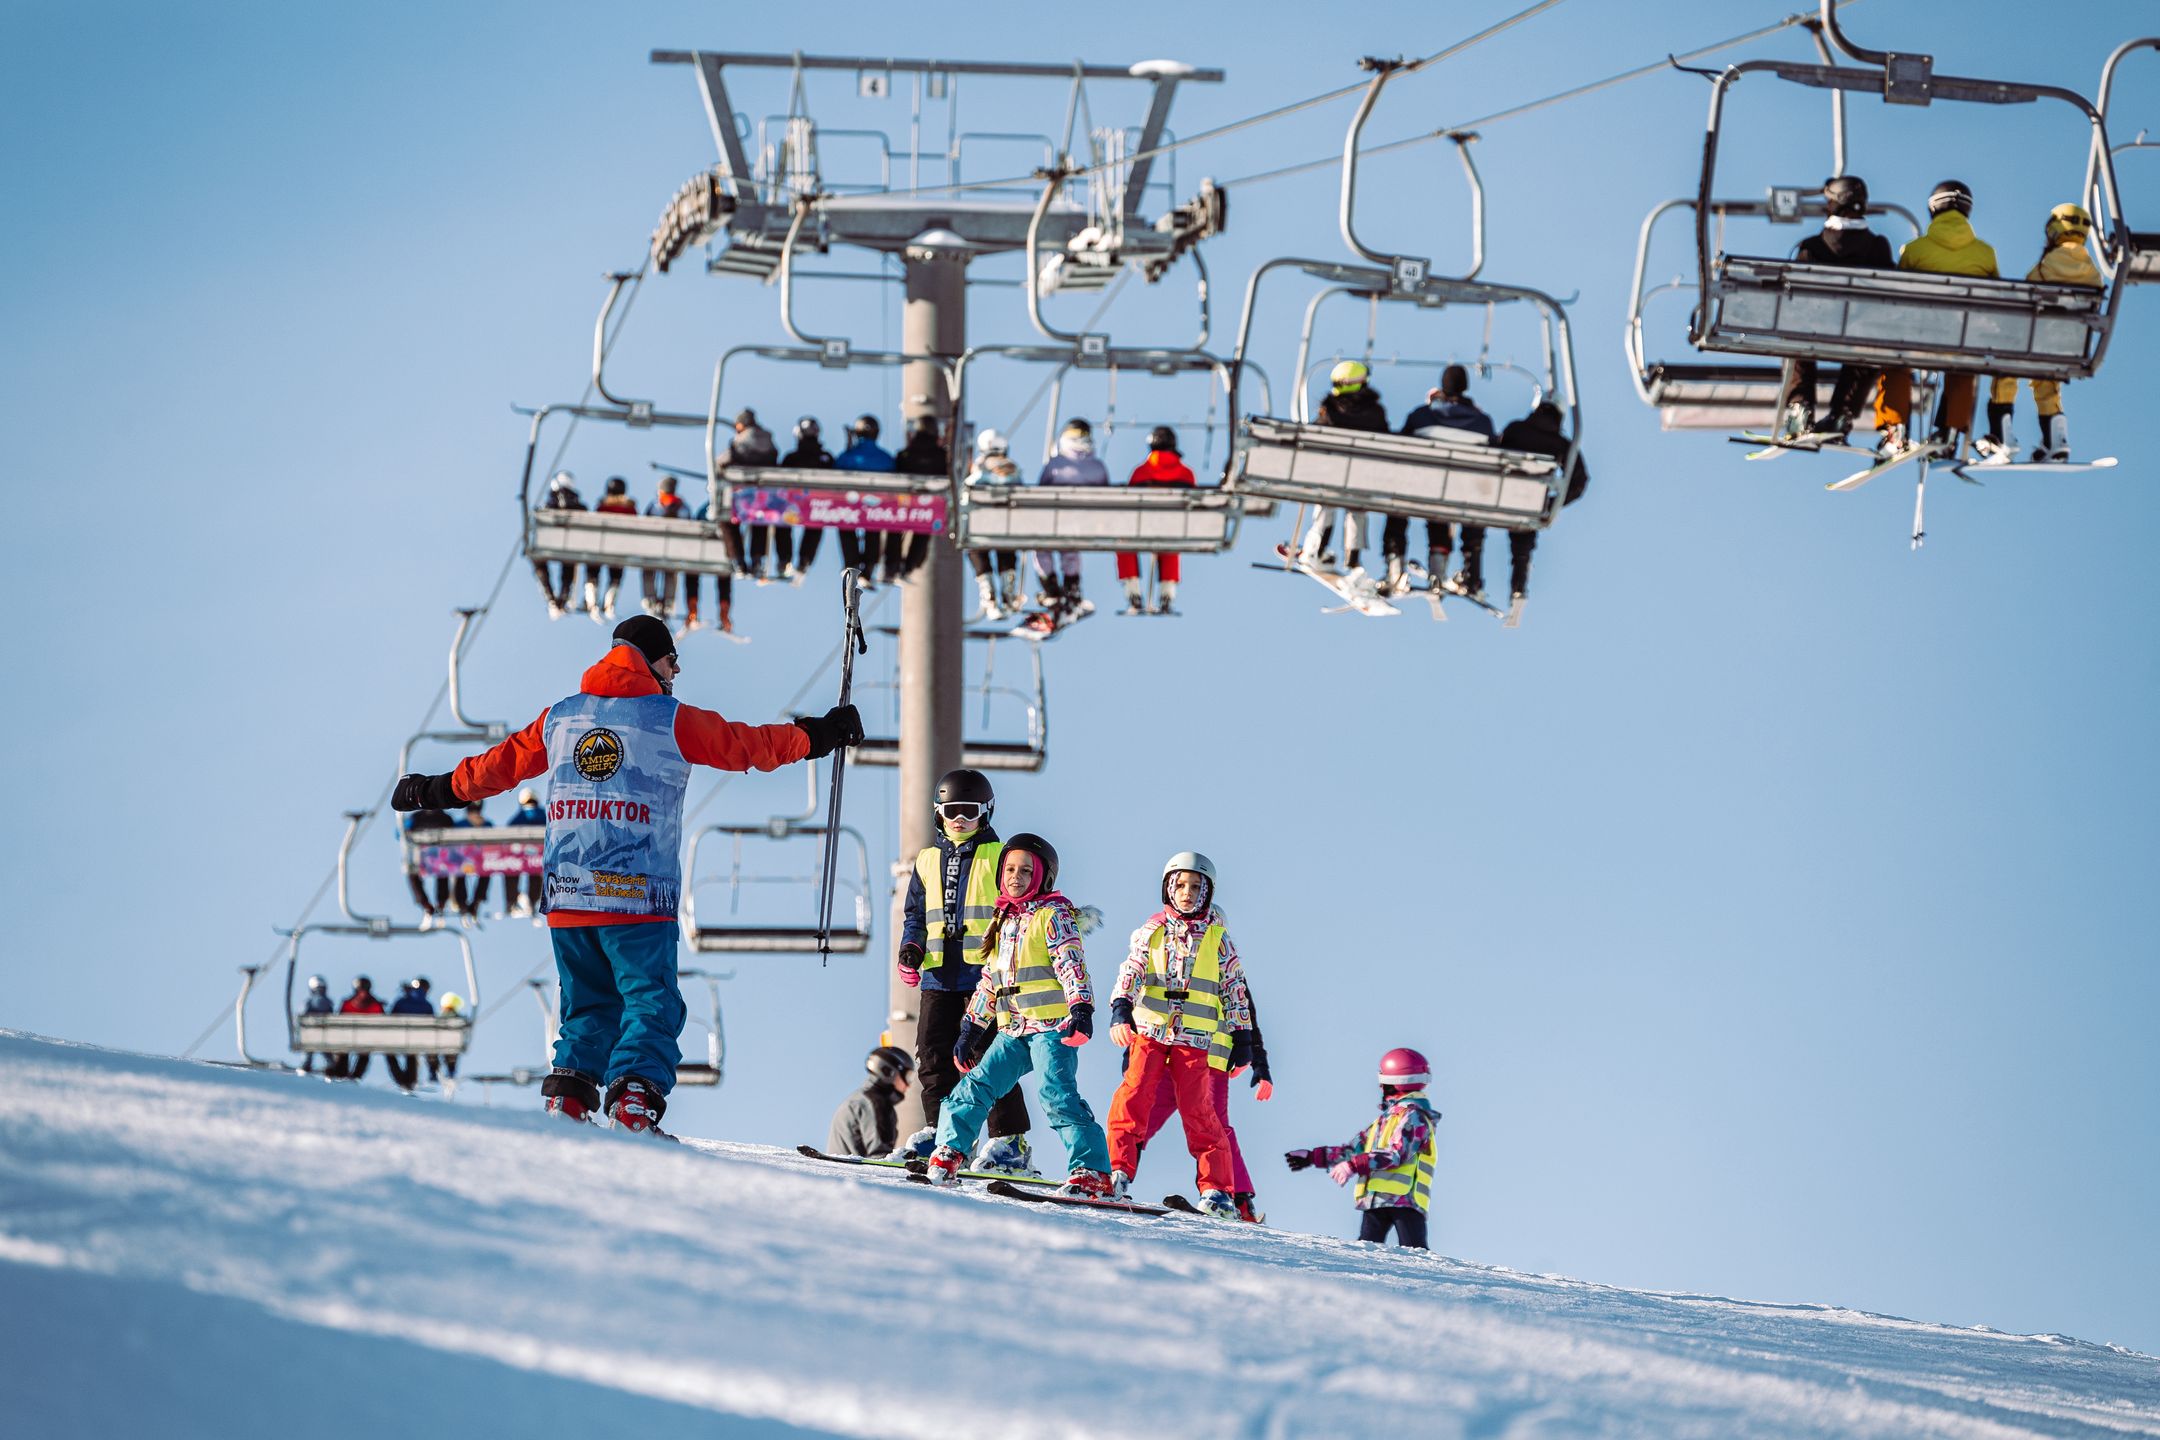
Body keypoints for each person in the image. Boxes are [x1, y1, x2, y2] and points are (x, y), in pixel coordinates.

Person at [391, 614, 862, 1135]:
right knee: (650, 1002)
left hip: (568, 892)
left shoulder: (560, 718)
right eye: (672, 660)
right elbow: (745, 745)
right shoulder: (668, 718)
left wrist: (432, 790)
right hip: (636, 892)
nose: (676, 670)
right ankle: (633, 1100)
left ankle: (569, 1100)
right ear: (650, 660)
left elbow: (498, 766)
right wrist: (818, 735)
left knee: (587, 1004)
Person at [922, 833, 1113, 1196]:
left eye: (1026, 871)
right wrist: (970, 1029)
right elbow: (989, 981)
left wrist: (1081, 1008)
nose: (1016, 876)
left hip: (1053, 1027)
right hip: (1012, 1030)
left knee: (1056, 1094)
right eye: (1010, 869)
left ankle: (1092, 1171)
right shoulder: (1002, 919)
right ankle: (949, 1150)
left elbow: (1071, 964)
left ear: (1043, 877)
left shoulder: (1053, 915)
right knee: (976, 1084)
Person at [1104, 851, 1256, 1219]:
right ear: (1168, 889)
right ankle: (1116, 1171)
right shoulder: (1151, 930)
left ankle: (1217, 1189)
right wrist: (1121, 1008)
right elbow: (1132, 970)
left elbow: (1234, 988)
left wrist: (1242, 1037)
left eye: (1195, 887)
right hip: (1151, 1029)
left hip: (1194, 1037)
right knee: (1133, 1096)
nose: (1187, 893)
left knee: (1199, 1109)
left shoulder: (1218, 939)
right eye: (1180, 885)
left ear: (1207, 893)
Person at [896, 768, 1033, 1170]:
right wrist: (911, 949)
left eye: (969, 811)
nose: (959, 819)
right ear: (937, 812)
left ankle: (1010, 1140)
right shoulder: (927, 860)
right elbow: (916, 914)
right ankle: (945, 1134)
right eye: (951, 810)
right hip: (939, 973)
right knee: (933, 1054)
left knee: (987, 1056)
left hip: (984, 977)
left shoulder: (999, 856)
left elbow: (1017, 905)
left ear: (986, 812)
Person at [1875, 180, 2000, 459]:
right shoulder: (1985, 253)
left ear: (1933, 208)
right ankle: (1950, 431)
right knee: (1963, 367)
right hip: (1961, 335)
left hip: (1918, 332)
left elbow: (1899, 293)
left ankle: (1895, 429)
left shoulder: (1915, 250)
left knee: (1896, 363)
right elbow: (1994, 298)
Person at [1979, 203, 2101, 464]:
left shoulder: (2049, 264)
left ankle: (2001, 436)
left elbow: (2027, 294)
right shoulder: (2093, 272)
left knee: (2005, 369)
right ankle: (2056, 441)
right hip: (2068, 345)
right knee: (2047, 381)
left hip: (2035, 338)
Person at [1777, 175, 1896, 442]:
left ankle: (1799, 407)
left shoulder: (1813, 246)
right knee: (1869, 347)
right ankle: (1843, 413)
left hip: (1817, 327)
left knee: (1796, 337)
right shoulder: (1878, 246)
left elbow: (1796, 297)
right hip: (1860, 330)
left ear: (1834, 204)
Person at [1284, 1046, 1441, 1250]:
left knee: (1415, 1253)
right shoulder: (1385, 1120)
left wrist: (1352, 1165)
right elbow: (1353, 1150)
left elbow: (1396, 1154)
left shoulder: (1414, 1117)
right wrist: (1313, 1157)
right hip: (1375, 1199)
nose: (1380, 1087)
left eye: (1383, 1082)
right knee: (1365, 1253)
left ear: (1394, 1083)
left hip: (1405, 1201)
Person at [1452, 402, 1589, 611]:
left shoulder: (1515, 429)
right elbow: (1580, 481)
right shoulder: (1562, 443)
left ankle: (1472, 575)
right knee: (1526, 525)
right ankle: (1519, 586)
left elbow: (1495, 453)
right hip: (1527, 504)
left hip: (1497, 497)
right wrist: (1551, 504)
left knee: (1475, 518)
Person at [1392, 365, 1494, 594]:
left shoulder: (1422, 416)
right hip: (1466, 491)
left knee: (1430, 504)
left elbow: (1402, 442)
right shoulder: (1482, 422)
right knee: (1470, 512)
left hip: (1428, 485)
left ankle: (1421, 569)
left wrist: (1431, 406)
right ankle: (1471, 574)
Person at [1296, 360, 1391, 575]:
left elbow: (1314, 437)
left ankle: (1317, 548)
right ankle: (1353, 559)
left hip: (1332, 472)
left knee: (1325, 504)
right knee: (1357, 509)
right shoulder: (1375, 412)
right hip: (1362, 475)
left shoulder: (1329, 411)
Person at [1114, 426, 1197, 615]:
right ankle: (1167, 593)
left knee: (1124, 543)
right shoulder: (1186, 473)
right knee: (1170, 544)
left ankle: (1132, 591)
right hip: (1172, 527)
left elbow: (1130, 503)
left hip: (1143, 525)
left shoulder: (1141, 472)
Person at [1034, 418, 1111, 616]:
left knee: (1042, 548)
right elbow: (1107, 494)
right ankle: (1072, 589)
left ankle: (1051, 589)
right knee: (1070, 550)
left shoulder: (1056, 465)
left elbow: (1041, 489)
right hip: (1082, 523)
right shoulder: (1097, 466)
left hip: (1054, 520)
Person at [963, 430, 1025, 620]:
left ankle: (988, 590)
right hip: (1006, 524)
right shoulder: (1013, 468)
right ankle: (1008, 591)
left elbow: (969, 487)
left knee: (975, 548)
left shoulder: (980, 467)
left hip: (982, 523)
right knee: (1006, 549)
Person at [765, 415, 833, 583]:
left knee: (784, 522)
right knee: (815, 523)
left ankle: (785, 560)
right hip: (816, 504)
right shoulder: (825, 458)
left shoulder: (791, 458)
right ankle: (804, 560)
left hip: (794, 504)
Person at [718, 408, 782, 582]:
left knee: (727, 521)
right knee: (760, 520)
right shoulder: (769, 440)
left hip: (740, 494)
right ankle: (757, 559)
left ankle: (737, 561)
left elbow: (723, 460)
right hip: (763, 494)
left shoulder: (739, 441)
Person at [834, 414, 896, 587]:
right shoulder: (885, 458)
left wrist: (849, 448)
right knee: (873, 528)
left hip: (849, 504)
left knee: (846, 525)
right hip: (876, 505)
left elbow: (838, 469)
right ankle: (868, 568)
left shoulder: (848, 456)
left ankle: (851, 565)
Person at [890, 415, 950, 584]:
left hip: (904, 502)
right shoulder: (941, 456)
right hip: (929, 505)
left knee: (895, 529)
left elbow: (897, 472)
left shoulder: (905, 454)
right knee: (922, 534)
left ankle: (892, 565)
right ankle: (908, 566)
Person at [828, 1044, 915, 1157]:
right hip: (856, 1169)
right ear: (889, 1072)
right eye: (908, 1077)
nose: (908, 1085)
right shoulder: (876, 1103)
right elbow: (880, 1156)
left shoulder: (858, 1099)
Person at [533, 470, 587, 619]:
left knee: (540, 564)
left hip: (551, 541)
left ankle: (551, 597)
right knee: (568, 564)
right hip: (569, 543)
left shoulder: (549, 503)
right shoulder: (577, 504)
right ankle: (563, 597)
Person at [641, 476, 693, 622]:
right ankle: (668, 603)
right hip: (675, 549)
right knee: (671, 573)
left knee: (649, 571)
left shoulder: (655, 506)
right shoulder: (682, 507)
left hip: (654, 547)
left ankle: (651, 601)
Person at [685, 495, 736, 638]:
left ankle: (695, 610)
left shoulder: (705, 510)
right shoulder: (729, 509)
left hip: (706, 553)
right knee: (723, 576)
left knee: (694, 574)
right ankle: (721, 613)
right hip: (720, 552)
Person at [589, 477, 638, 622]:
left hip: (601, 546)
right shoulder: (629, 508)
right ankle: (609, 605)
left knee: (593, 573)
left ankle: (592, 603)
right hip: (619, 547)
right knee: (616, 576)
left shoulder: (602, 506)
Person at [402, 805, 454, 930]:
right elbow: (400, 833)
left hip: (440, 857)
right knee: (413, 875)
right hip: (420, 857)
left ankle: (441, 906)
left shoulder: (445, 818)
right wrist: (405, 828)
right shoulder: (416, 817)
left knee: (443, 874)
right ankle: (427, 907)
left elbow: (454, 836)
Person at [386, 978, 435, 1092]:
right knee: (412, 1054)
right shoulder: (427, 1005)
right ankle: (409, 1083)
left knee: (390, 1053)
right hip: (417, 1039)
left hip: (398, 1037)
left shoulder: (401, 1001)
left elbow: (391, 1018)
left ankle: (402, 1081)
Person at [332, 975, 384, 1081]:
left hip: (358, 1039)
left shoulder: (350, 1004)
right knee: (350, 1051)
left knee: (356, 1051)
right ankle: (348, 1075)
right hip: (356, 1039)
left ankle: (348, 1075)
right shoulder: (374, 1005)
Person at [450, 800, 491, 927]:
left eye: (477, 810)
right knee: (459, 875)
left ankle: (475, 904)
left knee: (486, 873)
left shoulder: (487, 825)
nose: (475, 813)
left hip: (480, 859)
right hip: (462, 859)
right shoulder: (459, 825)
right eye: (472, 810)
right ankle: (462, 906)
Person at [508, 785, 547, 919]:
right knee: (531, 873)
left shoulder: (520, 817)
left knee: (519, 871)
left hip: (529, 854)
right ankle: (528, 901)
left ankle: (517, 902)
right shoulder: (542, 815)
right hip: (530, 854)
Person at [301, 974, 334, 1074]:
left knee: (309, 1044)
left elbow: (302, 1017)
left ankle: (306, 1064)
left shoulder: (309, 1002)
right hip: (325, 1035)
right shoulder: (328, 1002)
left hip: (311, 1035)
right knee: (326, 1050)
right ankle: (331, 1065)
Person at [435, 992, 465, 1085]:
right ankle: (451, 1073)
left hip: (439, 1043)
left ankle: (434, 1072)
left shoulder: (440, 1017)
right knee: (452, 1057)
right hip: (453, 1045)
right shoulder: (459, 1018)